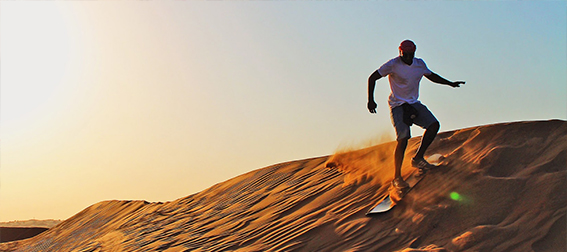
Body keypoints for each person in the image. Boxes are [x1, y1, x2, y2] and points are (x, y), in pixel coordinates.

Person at [367, 40, 465, 191]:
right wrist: (371, 100)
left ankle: (418, 158)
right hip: (397, 105)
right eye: (405, 54)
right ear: (400, 52)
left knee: (433, 125)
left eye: (410, 54)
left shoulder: (419, 64)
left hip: (414, 103)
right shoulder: (393, 64)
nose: (408, 57)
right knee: (403, 138)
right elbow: (372, 78)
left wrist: (450, 83)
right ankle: (397, 178)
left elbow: (432, 76)